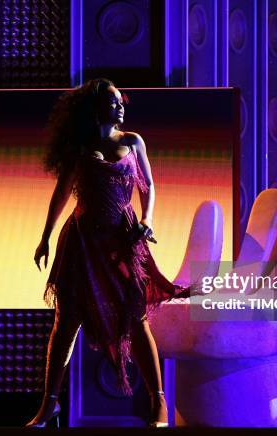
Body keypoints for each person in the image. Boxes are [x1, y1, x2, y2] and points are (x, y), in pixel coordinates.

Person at [25, 78, 188, 428]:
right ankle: (48, 405)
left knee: (136, 316)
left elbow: (150, 184)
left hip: (122, 240)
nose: (121, 106)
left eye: (121, 101)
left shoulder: (132, 141)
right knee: (66, 323)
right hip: (82, 242)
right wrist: (45, 237)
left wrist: (147, 219)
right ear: (95, 107)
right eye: (113, 101)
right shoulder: (80, 147)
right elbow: (61, 195)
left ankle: (157, 401)